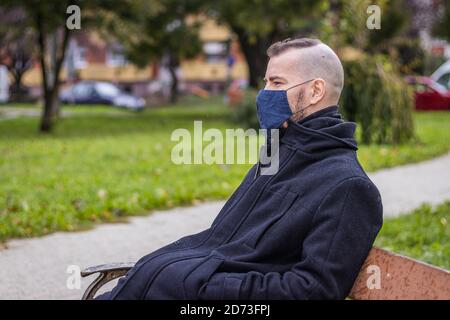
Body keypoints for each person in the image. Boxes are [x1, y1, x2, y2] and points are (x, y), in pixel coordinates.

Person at [96, 38, 383, 300]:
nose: (264, 93)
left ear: (315, 91)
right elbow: (223, 244)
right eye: (266, 82)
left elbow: (311, 292)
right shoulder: (277, 156)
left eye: (277, 82)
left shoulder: (349, 187)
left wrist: (200, 286)